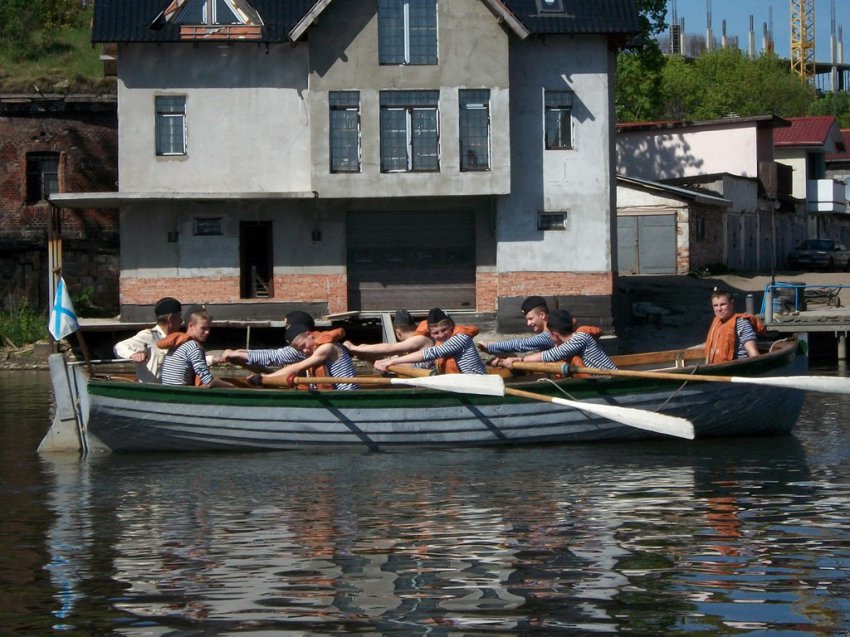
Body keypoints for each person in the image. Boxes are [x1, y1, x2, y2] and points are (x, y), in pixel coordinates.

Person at [493, 309, 617, 372]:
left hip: (610, 380)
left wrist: (520, 359)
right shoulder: (568, 343)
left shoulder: (580, 338)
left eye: (548, 333)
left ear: (554, 334)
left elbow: (551, 355)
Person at [217, 310, 346, 369]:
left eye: (289, 328)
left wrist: (239, 354)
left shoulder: (303, 350)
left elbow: (274, 356)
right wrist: (241, 353)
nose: (287, 332)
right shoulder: (307, 345)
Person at [374, 308, 486, 375]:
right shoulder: (439, 343)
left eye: (444, 330)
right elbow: (419, 365)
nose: (441, 335)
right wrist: (385, 363)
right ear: (431, 334)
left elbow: (431, 353)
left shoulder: (461, 338)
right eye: (436, 333)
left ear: (451, 326)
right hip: (458, 387)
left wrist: (392, 362)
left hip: (478, 386)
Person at [254, 323, 358, 390]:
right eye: (300, 349)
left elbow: (296, 368)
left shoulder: (328, 348)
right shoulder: (315, 350)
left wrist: (265, 377)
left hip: (347, 395)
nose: (305, 350)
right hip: (336, 395)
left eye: (304, 345)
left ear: (309, 334)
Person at [113, 296, 183, 382]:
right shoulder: (149, 336)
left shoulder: (178, 340)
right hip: (150, 390)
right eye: (179, 316)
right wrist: (132, 355)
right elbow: (119, 347)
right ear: (171, 319)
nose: (181, 321)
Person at [159, 308, 233, 387]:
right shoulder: (193, 347)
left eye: (209, 328)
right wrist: (232, 387)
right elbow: (208, 381)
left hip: (168, 389)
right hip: (180, 393)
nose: (207, 332)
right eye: (203, 328)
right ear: (191, 326)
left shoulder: (178, 343)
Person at [344, 309, 433, 359]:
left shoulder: (420, 340)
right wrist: (364, 351)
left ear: (398, 333)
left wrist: (353, 347)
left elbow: (388, 349)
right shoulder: (417, 343)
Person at [705, 287, 763, 363]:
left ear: (732, 303)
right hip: (718, 367)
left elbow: (753, 353)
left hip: (737, 367)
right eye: (715, 305)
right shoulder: (717, 323)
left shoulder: (741, 323)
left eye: (723, 304)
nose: (719, 309)